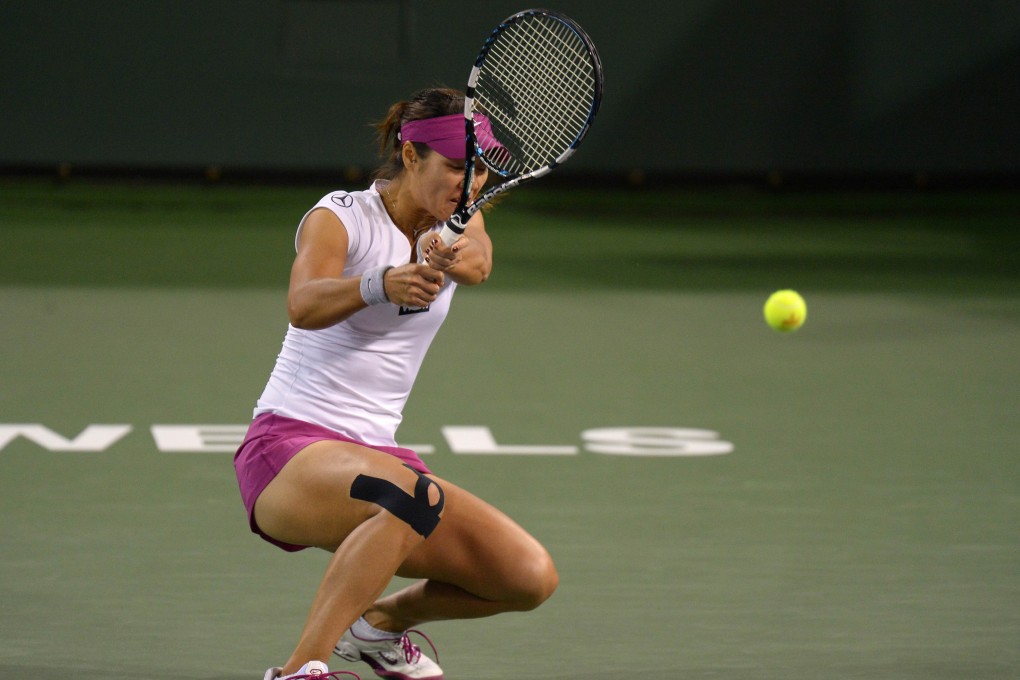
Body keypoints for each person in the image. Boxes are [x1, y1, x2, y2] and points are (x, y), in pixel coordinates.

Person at [233, 87, 559, 680]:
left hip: (378, 457)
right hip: (288, 448)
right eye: (456, 168)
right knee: (414, 495)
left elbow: (478, 262)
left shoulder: (462, 217)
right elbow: (302, 304)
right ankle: (300, 670)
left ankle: (378, 626)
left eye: (480, 171)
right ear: (411, 157)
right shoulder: (339, 217)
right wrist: (380, 283)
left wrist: (447, 250)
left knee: (528, 577)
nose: (469, 184)